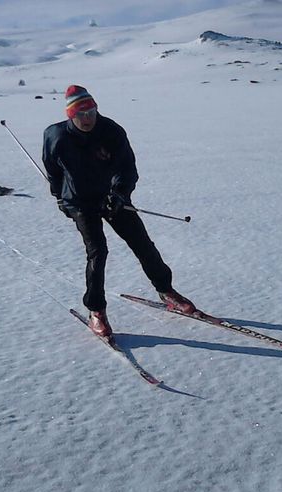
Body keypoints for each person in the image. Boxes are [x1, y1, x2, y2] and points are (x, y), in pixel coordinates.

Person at [43, 84, 195, 337]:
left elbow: (127, 169)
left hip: (112, 198)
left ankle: (166, 291)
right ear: (71, 116)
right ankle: (96, 310)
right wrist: (60, 198)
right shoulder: (56, 136)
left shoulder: (111, 131)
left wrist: (119, 194)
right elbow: (53, 170)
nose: (88, 118)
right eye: (81, 114)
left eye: (92, 111)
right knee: (98, 252)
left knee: (142, 244)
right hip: (81, 202)